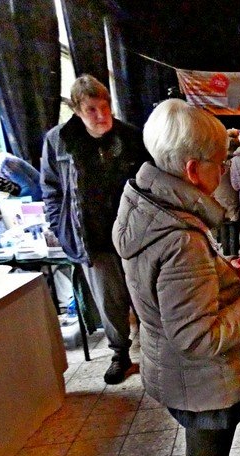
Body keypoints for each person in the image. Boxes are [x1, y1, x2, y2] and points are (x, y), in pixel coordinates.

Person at [113, 98, 240, 456]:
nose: (225, 171)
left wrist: (226, 273)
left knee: (219, 435)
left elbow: (180, 292)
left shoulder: (151, 204)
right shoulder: (181, 239)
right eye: (220, 162)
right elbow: (199, 337)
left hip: (179, 368)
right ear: (192, 169)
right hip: (197, 376)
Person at [41, 74, 147, 384]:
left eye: (105, 107)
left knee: (145, 293)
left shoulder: (130, 136)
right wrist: (61, 228)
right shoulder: (58, 140)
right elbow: (50, 189)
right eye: (91, 109)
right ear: (76, 110)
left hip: (134, 233)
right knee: (109, 300)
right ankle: (120, 354)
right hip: (91, 237)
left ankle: (156, 350)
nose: (102, 116)